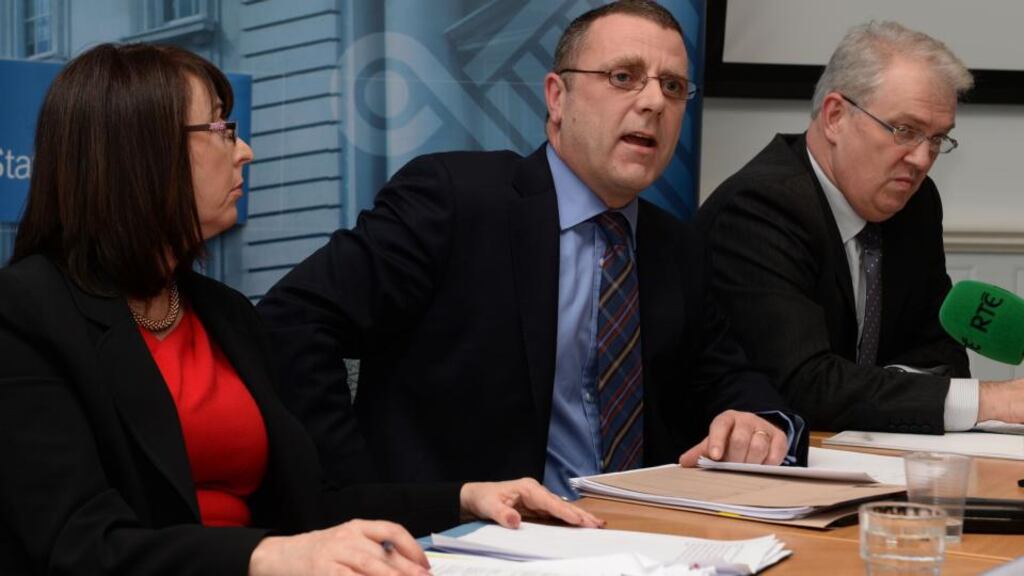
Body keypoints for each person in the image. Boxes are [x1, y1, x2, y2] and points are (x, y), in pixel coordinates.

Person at [0, 43, 603, 576]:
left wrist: (469, 498)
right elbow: (75, 544)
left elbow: (314, 506)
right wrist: (273, 557)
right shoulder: (26, 311)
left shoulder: (225, 315)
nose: (247, 152)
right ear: (141, 153)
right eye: (222, 129)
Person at [257, 0, 807, 500]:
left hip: (641, 540)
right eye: (624, 77)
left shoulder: (675, 246)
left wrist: (764, 421)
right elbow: (293, 321)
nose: (652, 102)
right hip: (469, 540)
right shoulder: (454, 200)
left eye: (673, 87)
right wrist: (360, 493)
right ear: (556, 97)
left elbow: (726, 374)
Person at [697, 21, 1024, 433]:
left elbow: (940, 352)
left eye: (937, 139)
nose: (922, 159)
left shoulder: (916, 203)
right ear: (835, 116)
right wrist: (990, 399)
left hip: (863, 454)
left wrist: (884, 392)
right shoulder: (761, 207)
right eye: (905, 131)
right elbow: (805, 385)